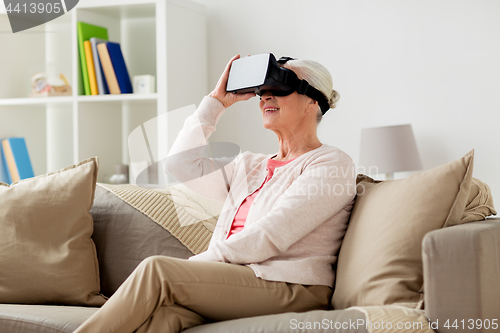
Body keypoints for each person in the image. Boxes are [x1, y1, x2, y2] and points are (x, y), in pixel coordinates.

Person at [74, 54, 356, 333]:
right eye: (262, 92)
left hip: (293, 288)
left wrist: (191, 267)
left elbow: (269, 235)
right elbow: (179, 164)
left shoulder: (331, 164)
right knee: (163, 320)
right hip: (238, 278)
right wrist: (217, 103)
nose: (266, 98)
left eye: (279, 89)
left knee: (158, 270)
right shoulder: (250, 165)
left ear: (312, 99)